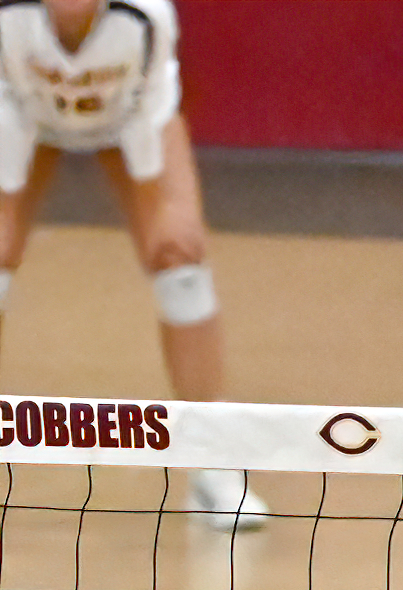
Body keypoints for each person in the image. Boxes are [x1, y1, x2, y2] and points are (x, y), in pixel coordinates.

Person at [0, 0, 264, 527]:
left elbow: (152, 113)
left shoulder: (145, 17)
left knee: (178, 250)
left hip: (128, 119)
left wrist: (164, 218)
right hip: (21, 112)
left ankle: (211, 462)